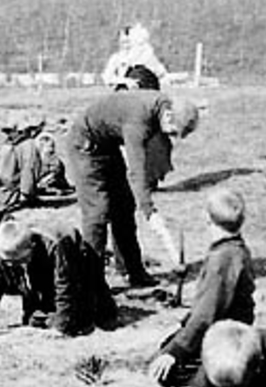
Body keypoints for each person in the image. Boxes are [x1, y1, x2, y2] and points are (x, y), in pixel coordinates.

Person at [65, 89, 199, 287]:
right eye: (171, 132)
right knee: (97, 213)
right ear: (169, 116)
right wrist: (148, 209)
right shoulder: (140, 120)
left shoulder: (161, 108)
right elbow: (136, 170)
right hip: (85, 146)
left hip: (107, 145)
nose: (168, 136)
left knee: (124, 206)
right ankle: (91, 283)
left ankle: (132, 271)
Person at [149, 187, 256, 387]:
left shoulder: (223, 259)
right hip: (223, 328)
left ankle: (225, 376)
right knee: (165, 349)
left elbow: (206, 315)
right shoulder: (231, 249)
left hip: (227, 335)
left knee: (168, 371)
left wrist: (177, 351)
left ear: (208, 219)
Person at [0, 218, 117, 341]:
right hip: (40, 278)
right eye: (8, 263)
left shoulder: (56, 246)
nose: (11, 266)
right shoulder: (3, 253)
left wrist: (60, 329)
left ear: (31, 247)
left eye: (18, 261)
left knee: (88, 318)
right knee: (34, 320)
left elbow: (65, 287)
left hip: (80, 268)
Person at [0, 131, 73, 210]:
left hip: (5, 177)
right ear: (42, 144)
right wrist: (32, 198)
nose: (50, 155)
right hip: (9, 183)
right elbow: (27, 181)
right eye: (50, 152)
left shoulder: (29, 145)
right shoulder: (32, 155)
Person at [102, 24, 168, 91]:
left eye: (128, 42)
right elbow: (107, 78)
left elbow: (161, 73)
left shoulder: (145, 56)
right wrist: (126, 81)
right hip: (125, 93)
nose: (126, 46)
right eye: (123, 42)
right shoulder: (116, 58)